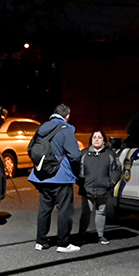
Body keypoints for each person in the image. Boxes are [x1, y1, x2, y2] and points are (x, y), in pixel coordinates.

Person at [28, 104, 83, 253]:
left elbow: (30, 149)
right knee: (64, 210)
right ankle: (63, 243)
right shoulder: (66, 130)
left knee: (44, 209)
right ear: (67, 116)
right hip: (61, 176)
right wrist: (78, 173)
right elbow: (75, 156)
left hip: (42, 175)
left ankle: (41, 241)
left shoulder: (41, 129)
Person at [78, 130, 121, 245]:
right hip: (87, 189)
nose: (96, 139)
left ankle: (100, 235)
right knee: (86, 212)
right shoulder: (84, 154)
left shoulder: (110, 154)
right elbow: (77, 170)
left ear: (104, 140)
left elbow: (117, 169)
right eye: (94, 137)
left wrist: (111, 183)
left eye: (99, 137)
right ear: (91, 140)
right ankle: (81, 235)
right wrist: (81, 183)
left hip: (104, 189)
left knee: (101, 212)